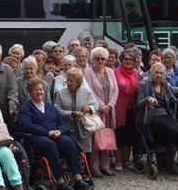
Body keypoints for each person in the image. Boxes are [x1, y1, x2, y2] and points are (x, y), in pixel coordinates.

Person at [18, 77, 90, 190]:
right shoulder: (25, 108)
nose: (39, 92)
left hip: (55, 136)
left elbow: (61, 123)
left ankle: (78, 178)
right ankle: (60, 180)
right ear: (30, 92)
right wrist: (46, 132)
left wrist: (60, 131)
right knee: (49, 145)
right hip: (37, 138)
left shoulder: (50, 107)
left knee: (68, 142)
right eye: (36, 90)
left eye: (41, 89)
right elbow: (26, 125)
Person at [137, 63, 178, 174]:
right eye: (157, 72)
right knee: (172, 131)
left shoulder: (164, 84)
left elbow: (172, 99)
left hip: (166, 114)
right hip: (152, 116)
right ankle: (170, 165)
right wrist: (148, 99)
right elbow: (138, 103)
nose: (159, 75)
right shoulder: (143, 84)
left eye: (161, 73)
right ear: (151, 73)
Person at [84, 47, 119, 177]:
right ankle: (94, 167)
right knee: (96, 140)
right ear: (92, 59)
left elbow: (115, 89)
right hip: (96, 111)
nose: (100, 61)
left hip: (109, 111)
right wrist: (101, 105)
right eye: (97, 58)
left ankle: (106, 165)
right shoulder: (88, 72)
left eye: (102, 59)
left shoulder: (110, 71)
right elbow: (89, 91)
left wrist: (110, 105)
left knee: (107, 138)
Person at [54, 68, 99, 154]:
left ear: (78, 82)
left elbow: (96, 105)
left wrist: (89, 108)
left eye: (71, 81)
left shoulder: (86, 91)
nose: (68, 83)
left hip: (83, 128)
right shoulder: (61, 92)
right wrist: (70, 114)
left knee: (83, 153)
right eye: (67, 80)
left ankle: (83, 167)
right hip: (67, 128)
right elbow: (56, 109)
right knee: (69, 152)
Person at [113, 49, 141, 171]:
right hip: (119, 108)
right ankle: (118, 161)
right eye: (126, 59)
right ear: (121, 60)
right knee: (120, 134)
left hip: (132, 109)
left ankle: (127, 160)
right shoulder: (115, 72)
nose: (128, 61)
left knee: (130, 135)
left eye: (131, 59)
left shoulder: (137, 74)